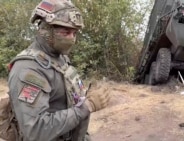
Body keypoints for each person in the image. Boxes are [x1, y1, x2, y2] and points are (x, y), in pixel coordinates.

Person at [7, 0, 109, 141]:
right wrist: (87, 106)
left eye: (75, 33)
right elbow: (35, 130)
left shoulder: (59, 59)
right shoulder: (28, 69)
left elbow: (65, 103)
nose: (72, 38)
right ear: (46, 30)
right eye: (66, 32)